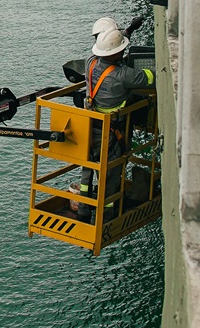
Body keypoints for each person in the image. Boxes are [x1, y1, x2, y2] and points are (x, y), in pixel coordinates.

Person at [65, 26, 155, 218]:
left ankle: (83, 210)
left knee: (88, 165)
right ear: (119, 52)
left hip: (89, 125)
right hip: (110, 132)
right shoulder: (123, 75)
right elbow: (149, 78)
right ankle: (107, 215)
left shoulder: (90, 62)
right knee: (111, 173)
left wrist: (127, 31)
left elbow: (109, 48)